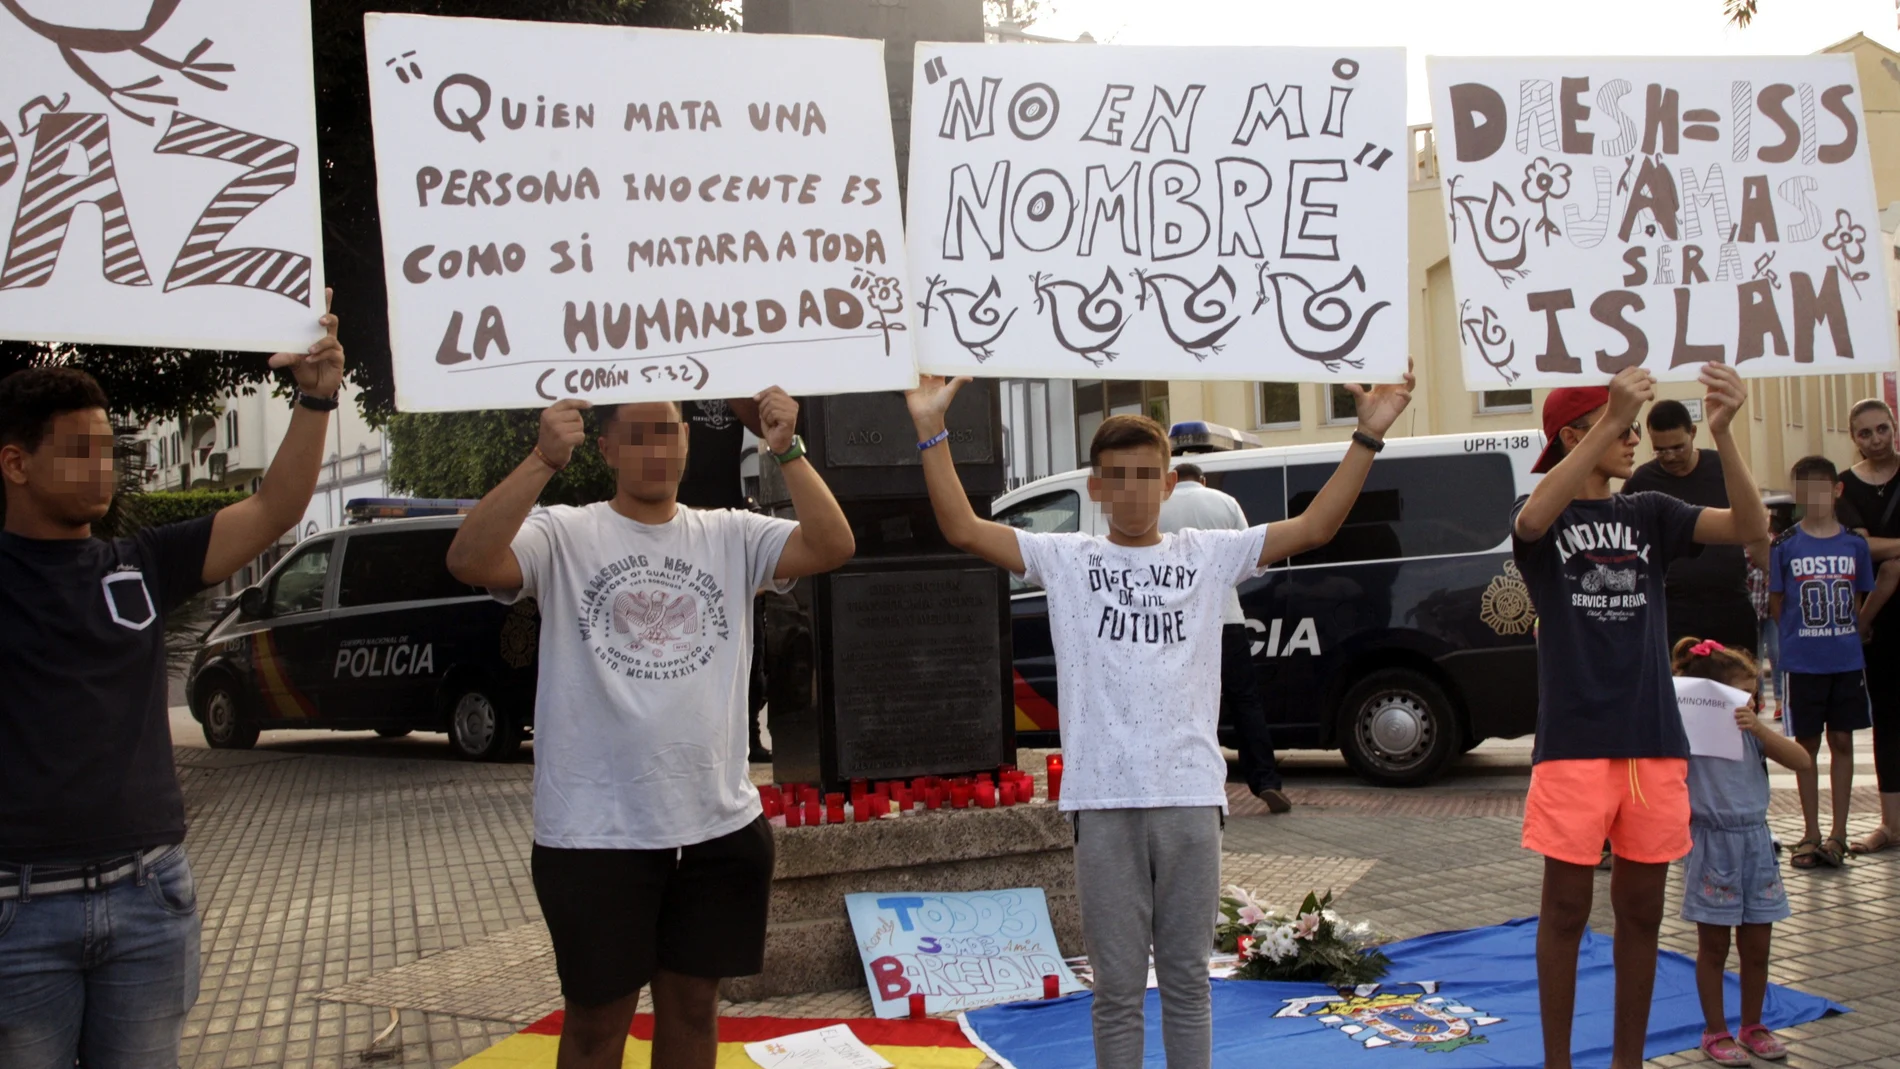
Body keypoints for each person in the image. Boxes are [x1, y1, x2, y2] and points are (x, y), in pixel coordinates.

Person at [905, 367, 1413, 1069]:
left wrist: (1367, 433)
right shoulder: (1065, 558)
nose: (1134, 489)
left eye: (1148, 474)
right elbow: (962, 527)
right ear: (1095, 486)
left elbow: (1318, 524)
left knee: (1185, 982)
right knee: (1115, 991)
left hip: (1188, 798)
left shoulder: (1206, 555)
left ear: (1171, 486)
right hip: (1104, 802)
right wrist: (931, 427)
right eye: (1118, 475)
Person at [444, 390, 854, 1069]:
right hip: (594, 832)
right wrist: (543, 458)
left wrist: (787, 447)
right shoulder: (563, 532)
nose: (657, 449)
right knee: (597, 1023)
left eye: (668, 432)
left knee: (695, 1008)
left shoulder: (732, 533)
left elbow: (833, 543)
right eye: (636, 435)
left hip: (717, 827)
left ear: (688, 440)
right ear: (603, 447)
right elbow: (469, 558)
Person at [0, 295, 345, 1069]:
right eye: (77, 451)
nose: (103, 468)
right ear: (15, 463)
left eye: (106, 449)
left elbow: (277, 505)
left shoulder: (141, 562)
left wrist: (316, 395)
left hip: (149, 897)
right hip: (18, 914)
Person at [1512, 365, 1767, 1069]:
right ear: (1577, 433)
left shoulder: (1649, 509)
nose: (1634, 440)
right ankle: (1558, 1061)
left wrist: (1725, 434)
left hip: (1653, 740)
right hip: (1573, 742)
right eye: (1624, 426)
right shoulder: (1549, 513)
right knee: (1565, 913)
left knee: (1642, 915)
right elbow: (1530, 522)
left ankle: (1629, 1061)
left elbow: (1750, 525)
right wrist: (1603, 422)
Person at [1670, 638, 1810, 1067]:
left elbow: (1802, 760)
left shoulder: (1752, 734)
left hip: (1756, 841)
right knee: (1713, 947)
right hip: (1712, 844)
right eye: (1743, 692)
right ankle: (1716, 1030)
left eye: (1754, 691)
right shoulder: (1688, 732)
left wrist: (1760, 728)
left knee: (1758, 946)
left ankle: (1753, 1025)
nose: (1752, 699)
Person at [1158, 462, 1290, 814]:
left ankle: (1186, 785)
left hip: (1177, 624)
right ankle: (1266, 782)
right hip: (1226, 619)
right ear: (1201, 480)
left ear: (1172, 480)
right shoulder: (1225, 502)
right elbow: (1252, 559)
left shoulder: (1157, 505)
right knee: (1245, 701)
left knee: (1182, 707)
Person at [1770, 456, 1876, 871]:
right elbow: (1779, 604)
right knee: (1806, 748)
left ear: (1836, 491)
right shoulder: (1786, 546)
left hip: (1845, 660)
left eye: (1821, 489)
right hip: (1803, 662)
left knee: (1844, 741)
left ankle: (1839, 833)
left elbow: (1859, 599)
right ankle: (1810, 831)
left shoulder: (1854, 545)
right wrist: (1798, 640)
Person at [675, 398, 775, 763]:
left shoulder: (733, 380)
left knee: (751, 646)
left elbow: (765, 427)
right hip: (680, 521)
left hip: (730, 518)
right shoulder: (674, 384)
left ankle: (748, 736)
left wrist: (728, 380)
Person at [1623, 399, 1757, 653]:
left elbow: (1754, 519)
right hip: (1674, 609)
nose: (1670, 456)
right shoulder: (1642, 481)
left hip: (1730, 602)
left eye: (1677, 447)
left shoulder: (1721, 468)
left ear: (1693, 433)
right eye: (1660, 450)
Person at [1838, 398, 1900, 856]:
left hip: (1876, 612)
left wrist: (1887, 550)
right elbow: (1859, 550)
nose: (1876, 439)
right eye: (1866, 433)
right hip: (1876, 619)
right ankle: (1890, 825)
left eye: (1883, 429)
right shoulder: (1844, 486)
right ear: (1852, 437)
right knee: (1889, 721)